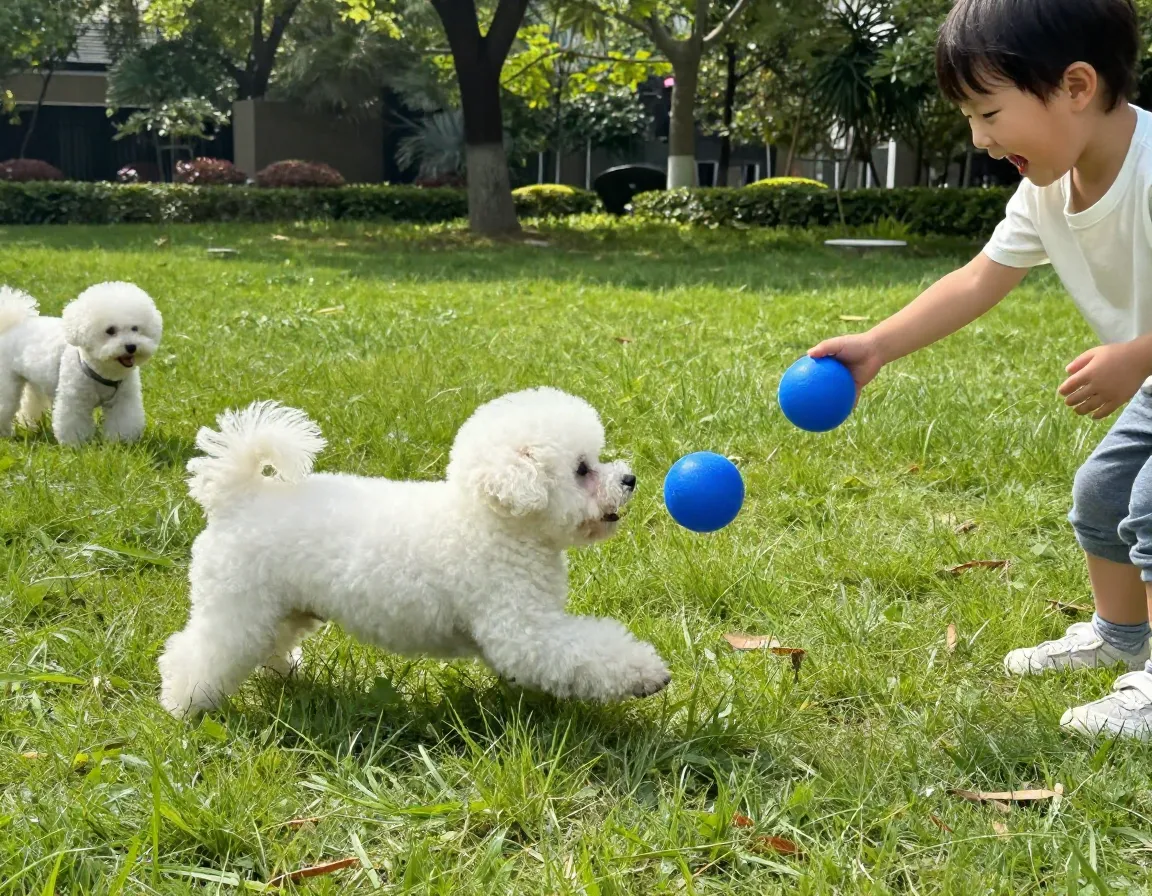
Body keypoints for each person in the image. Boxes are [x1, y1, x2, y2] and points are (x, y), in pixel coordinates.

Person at [809, 0, 1152, 738]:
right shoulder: (1046, 191)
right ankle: (1121, 635)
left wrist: (1136, 356)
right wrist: (876, 346)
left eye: (990, 112)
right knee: (1102, 494)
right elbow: (976, 279)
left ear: (1077, 87)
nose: (981, 139)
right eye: (970, 116)